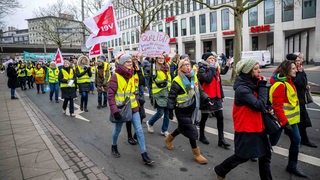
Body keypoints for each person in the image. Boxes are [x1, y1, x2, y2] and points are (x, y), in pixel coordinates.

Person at [214, 59, 272, 180]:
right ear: (248, 71)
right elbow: (258, 105)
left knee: (265, 156)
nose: (259, 71)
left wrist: (269, 107)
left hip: (259, 126)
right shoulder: (242, 89)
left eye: (258, 68)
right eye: (256, 69)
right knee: (242, 156)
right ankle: (221, 169)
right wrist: (262, 88)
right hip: (247, 129)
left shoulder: (254, 83)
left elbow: (264, 103)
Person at [107, 53, 153, 165]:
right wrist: (114, 111)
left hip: (133, 107)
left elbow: (134, 91)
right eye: (128, 62)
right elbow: (110, 96)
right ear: (122, 63)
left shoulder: (132, 74)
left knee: (139, 130)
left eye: (130, 62)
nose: (130, 63)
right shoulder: (115, 76)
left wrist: (137, 103)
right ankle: (114, 146)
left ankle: (144, 153)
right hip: (121, 109)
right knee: (117, 129)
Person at [165, 58, 211, 164]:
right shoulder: (177, 80)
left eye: (188, 64)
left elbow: (200, 90)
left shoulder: (194, 76)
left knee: (182, 128)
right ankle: (197, 154)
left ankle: (169, 139)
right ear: (180, 68)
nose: (187, 66)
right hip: (181, 111)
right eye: (184, 65)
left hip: (193, 110)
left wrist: (207, 98)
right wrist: (170, 111)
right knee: (192, 131)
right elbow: (171, 97)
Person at [269, 59, 307, 178]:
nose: (296, 70)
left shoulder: (290, 81)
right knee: (272, 142)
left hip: (291, 121)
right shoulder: (281, 85)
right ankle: (256, 152)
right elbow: (278, 107)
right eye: (293, 68)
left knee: (296, 140)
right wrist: (285, 124)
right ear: (286, 70)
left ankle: (292, 166)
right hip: (282, 121)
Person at [197, 52, 231, 149]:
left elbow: (218, 83)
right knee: (204, 117)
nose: (213, 60)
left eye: (213, 58)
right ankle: (202, 135)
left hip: (216, 97)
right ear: (205, 59)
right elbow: (207, 79)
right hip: (206, 97)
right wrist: (212, 67)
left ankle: (221, 139)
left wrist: (222, 95)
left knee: (220, 117)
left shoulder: (215, 68)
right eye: (210, 58)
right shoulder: (202, 69)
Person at [288, 53, 317, 148]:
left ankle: (300, 139)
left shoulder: (299, 70)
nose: (299, 62)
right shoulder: (292, 71)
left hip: (300, 99)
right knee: (301, 121)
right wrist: (300, 72)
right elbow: (298, 82)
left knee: (301, 121)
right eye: (296, 61)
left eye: (299, 60)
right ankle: (303, 140)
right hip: (296, 100)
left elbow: (303, 81)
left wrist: (306, 85)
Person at [146, 55, 172, 136]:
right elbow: (153, 76)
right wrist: (153, 64)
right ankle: (150, 123)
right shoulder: (154, 68)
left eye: (162, 58)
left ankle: (164, 130)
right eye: (159, 58)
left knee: (167, 113)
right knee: (160, 112)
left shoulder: (166, 67)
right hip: (158, 93)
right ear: (156, 59)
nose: (161, 59)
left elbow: (169, 80)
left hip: (167, 93)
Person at [126, 53, 146, 145]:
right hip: (129, 97)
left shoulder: (139, 67)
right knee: (129, 118)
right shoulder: (126, 69)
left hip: (138, 96)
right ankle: (129, 136)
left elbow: (142, 81)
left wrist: (138, 71)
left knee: (142, 115)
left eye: (135, 57)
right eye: (132, 57)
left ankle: (135, 135)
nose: (134, 58)